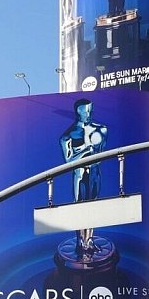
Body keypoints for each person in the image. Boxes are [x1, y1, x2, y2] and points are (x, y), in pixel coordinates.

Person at [59, 99, 108, 261]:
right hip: (79, 174)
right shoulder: (68, 135)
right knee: (79, 206)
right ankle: (80, 242)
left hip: (95, 173)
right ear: (77, 112)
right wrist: (86, 150)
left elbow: (101, 155)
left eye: (90, 110)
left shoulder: (101, 129)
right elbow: (68, 161)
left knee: (93, 205)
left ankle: (90, 240)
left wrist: (90, 152)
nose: (88, 114)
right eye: (85, 111)